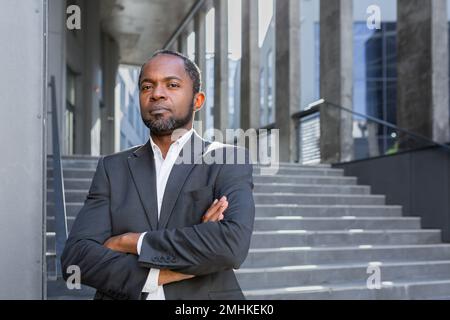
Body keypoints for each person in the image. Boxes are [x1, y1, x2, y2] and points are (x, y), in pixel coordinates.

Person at [61, 50, 255, 300]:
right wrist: (169, 270)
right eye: (146, 86)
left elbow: (230, 246)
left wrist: (129, 242)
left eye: (172, 84)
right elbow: (76, 259)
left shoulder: (227, 160)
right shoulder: (112, 168)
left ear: (198, 100)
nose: (157, 94)